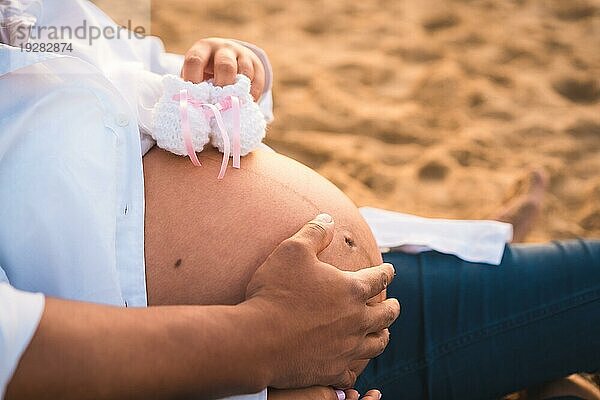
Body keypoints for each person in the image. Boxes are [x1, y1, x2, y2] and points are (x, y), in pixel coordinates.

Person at [1, 1, 598, 400]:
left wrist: (236, 68)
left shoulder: (35, 12)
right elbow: (16, 350)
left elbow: (163, 80)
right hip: (272, 363)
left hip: (348, 307)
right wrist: (267, 339)